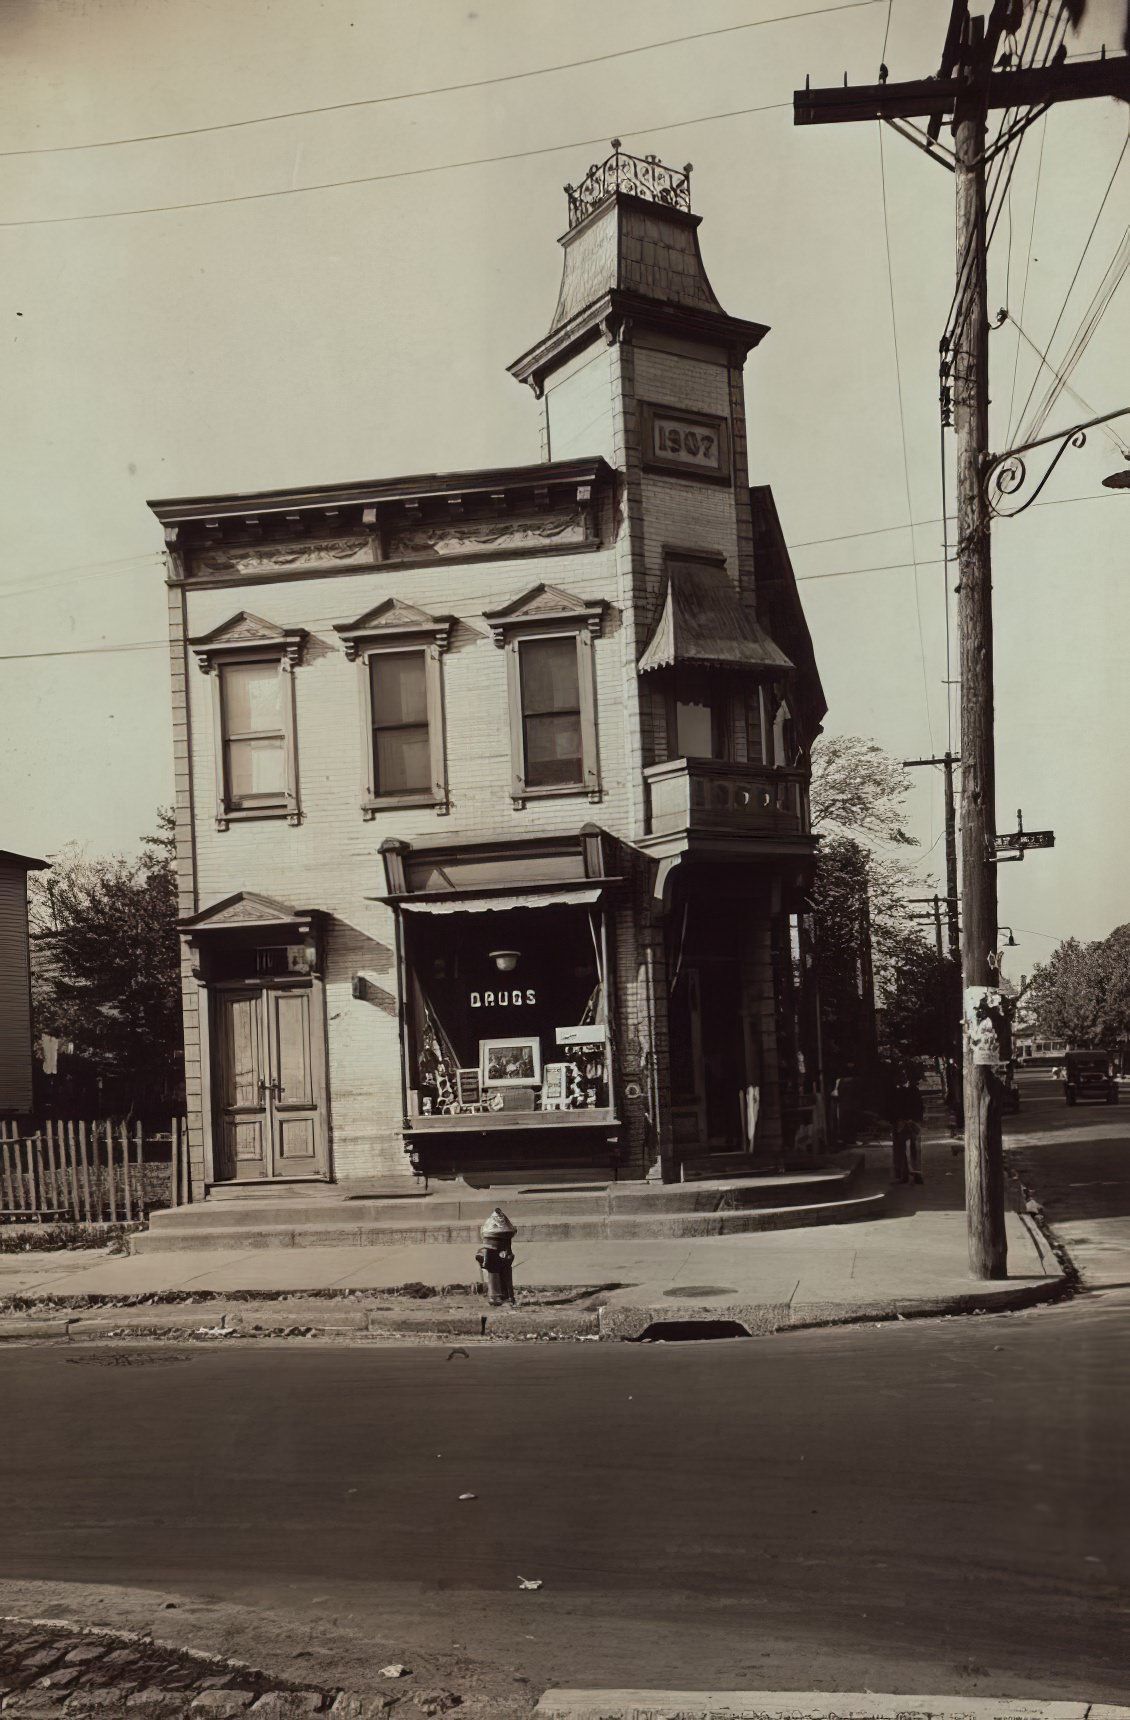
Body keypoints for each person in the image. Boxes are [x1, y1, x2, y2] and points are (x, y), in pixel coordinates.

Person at [886, 1066, 926, 1185]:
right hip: (905, 1122)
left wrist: (909, 1119)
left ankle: (912, 1174)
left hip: (907, 1122)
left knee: (908, 1149)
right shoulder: (907, 1091)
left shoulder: (901, 1091)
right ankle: (908, 1174)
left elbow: (918, 1107)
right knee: (906, 1149)